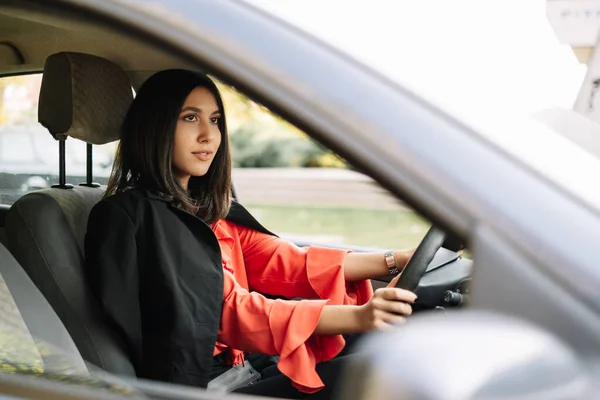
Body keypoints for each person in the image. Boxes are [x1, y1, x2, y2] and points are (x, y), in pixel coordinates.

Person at [84, 69, 417, 399]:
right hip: (200, 384)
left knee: (386, 354)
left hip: (243, 363)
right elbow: (228, 311)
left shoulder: (205, 210)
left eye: (215, 120)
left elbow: (287, 262)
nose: (208, 135)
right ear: (155, 126)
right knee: (381, 372)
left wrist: (396, 260)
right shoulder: (139, 216)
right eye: (190, 118)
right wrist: (359, 316)